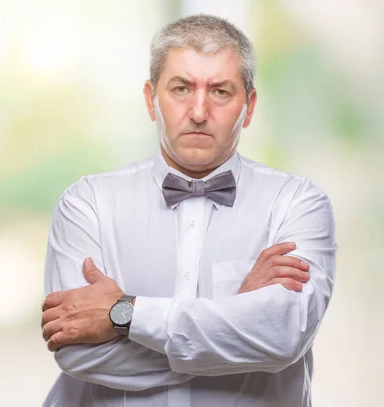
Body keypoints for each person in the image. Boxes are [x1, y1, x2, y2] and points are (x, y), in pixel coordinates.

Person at [40, 14, 337, 407]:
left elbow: (283, 337)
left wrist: (122, 315)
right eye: (181, 88)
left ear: (248, 106)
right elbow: (77, 351)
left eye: (219, 92)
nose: (198, 111)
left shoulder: (298, 204)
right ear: (151, 100)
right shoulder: (87, 204)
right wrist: (236, 320)